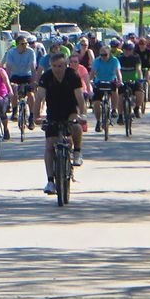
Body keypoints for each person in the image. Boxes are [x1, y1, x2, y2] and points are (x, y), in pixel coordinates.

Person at [33, 52, 86, 194]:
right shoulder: (46, 77)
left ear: (66, 65)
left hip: (70, 109)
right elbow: (39, 98)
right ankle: (50, 181)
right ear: (50, 65)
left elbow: (80, 97)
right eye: (55, 66)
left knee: (75, 126)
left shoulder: (72, 76)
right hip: (53, 111)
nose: (58, 68)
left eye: (61, 65)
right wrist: (35, 116)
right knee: (49, 145)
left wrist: (83, 114)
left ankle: (77, 152)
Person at [3, 35, 37, 130]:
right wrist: (8, 82)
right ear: (17, 45)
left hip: (27, 75)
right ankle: (15, 111)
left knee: (31, 94)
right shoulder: (11, 52)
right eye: (23, 44)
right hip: (15, 75)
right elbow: (8, 68)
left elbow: (33, 68)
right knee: (13, 89)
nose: (25, 45)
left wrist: (33, 82)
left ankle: (31, 118)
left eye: (26, 43)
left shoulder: (30, 52)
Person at [89, 45, 122, 130]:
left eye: (105, 55)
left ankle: (114, 109)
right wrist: (90, 81)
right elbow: (92, 73)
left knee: (115, 90)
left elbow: (117, 72)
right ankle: (98, 121)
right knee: (96, 102)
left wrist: (119, 81)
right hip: (99, 82)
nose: (103, 57)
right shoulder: (97, 61)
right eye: (101, 55)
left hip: (111, 81)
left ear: (109, 54)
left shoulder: (114, 60)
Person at [117, 41, 144, 119]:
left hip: (134, 80)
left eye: (129, 49)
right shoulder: (119, 58)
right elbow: (116, 70)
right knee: (120, 97)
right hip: (122, 80)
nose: (127, 51)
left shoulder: (136, 57)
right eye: (125, 49)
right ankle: (120, 115)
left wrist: (140, 79)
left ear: (132, 50)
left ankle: (137, 108)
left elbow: (138, 69)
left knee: (140, 93)